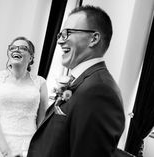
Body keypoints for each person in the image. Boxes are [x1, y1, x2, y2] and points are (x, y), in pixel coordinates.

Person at [27, 5, 125, 157]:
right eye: (60, 34)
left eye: (67, 33)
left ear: (93, 39)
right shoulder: (85, 82)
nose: (59, 41)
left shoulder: (99, 91)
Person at [0, 36, 48, 157]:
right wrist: (6, 151)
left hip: (28, 143)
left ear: (31, 57)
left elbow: (42, 120)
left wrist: (38, 147)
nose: (16, 50)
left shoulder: (41, 82)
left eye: (23, 48)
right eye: (13, 48)